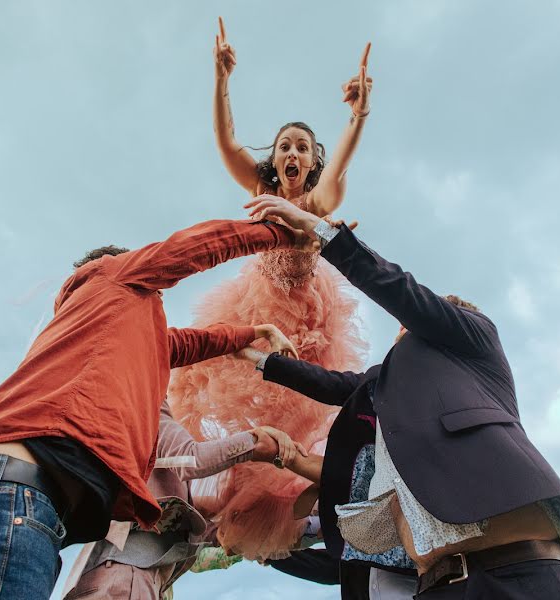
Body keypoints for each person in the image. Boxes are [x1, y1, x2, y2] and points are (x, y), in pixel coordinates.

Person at [0, 217, 309, 600]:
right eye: (156, 296)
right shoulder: (114, 278)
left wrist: (253, 332)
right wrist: (286, 234)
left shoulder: (90, 332)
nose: (159, 307)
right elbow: (186, 250)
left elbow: (183, 344)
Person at [236, 195, 560, 599]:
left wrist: (321, 232)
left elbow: (402, 293)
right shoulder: (386, 381)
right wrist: (251, 355)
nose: (401, 329)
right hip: (437, 586)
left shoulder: (472, 340)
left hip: (524, 572)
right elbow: (330, 385)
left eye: (410, 324)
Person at [166, 17, 374, 559]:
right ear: (276, 156)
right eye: (286, 145)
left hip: (306, 325)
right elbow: (226, 142)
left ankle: (272, 503)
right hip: (255, 305)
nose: (293, 153)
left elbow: (343, 161)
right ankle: (192, 495)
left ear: (311, 161)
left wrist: (357, 116)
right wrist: (221, 79)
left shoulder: (319, 203)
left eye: (303, 147)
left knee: (293, 419)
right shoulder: (259, 185)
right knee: (203, 380)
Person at [62, 397, 307, 600]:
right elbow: (193, 461)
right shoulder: (147, 407)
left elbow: (191, 524)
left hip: (126, 578)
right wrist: (254, 443)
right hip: (123, 579)